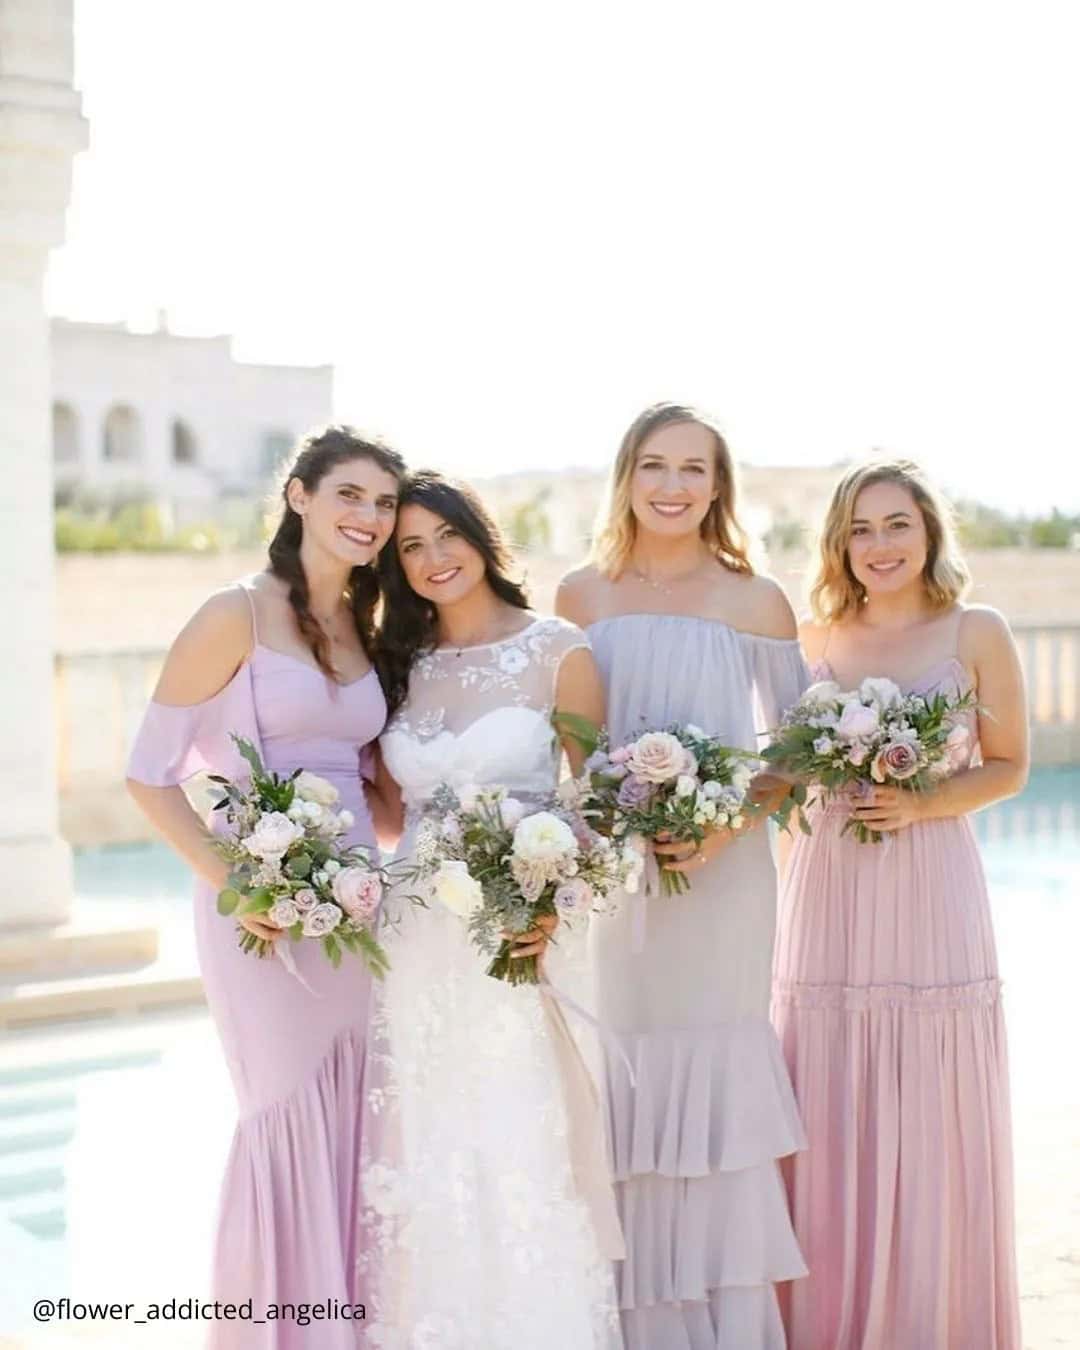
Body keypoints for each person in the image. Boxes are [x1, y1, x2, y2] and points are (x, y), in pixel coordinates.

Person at [126, 425, 405, 1348]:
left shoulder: (365, 632)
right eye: (349, 495)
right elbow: (148, 773)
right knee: (287, 1115)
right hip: (261, 913)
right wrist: (236, 882)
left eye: (384, 502)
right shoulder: (232, 614)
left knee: (362, 1118)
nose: (368, 517)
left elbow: (376, 792)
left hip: (361, 907)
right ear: (299, 497)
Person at [557, 403, 807, 1350]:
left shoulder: (758, 600)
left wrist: (724, 824)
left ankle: (726, 1326)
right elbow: (570, 749)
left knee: (713, 1070)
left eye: (692, 469)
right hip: (616, 887)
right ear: (626, 476)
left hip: (726, 879)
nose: (672, 486)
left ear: (718, 485)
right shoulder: (579, 595)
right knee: (620, 1070)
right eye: (654, 466)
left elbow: (795, 748)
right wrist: (615, 825)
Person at [358, 471, 623, 1349]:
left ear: (481, 535)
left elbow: (593, 804)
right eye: (411, 546)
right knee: (429, 1140)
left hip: (520, 931)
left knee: (519, 1138)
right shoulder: (395, 664)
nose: (434, 559)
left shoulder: (558, 650)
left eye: (447, 536)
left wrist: (548, 901)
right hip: (416, 938)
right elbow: (394, 814)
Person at [772, 458, 1027, 1349]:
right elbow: (784, 770)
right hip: (826, 886)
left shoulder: (976, 628)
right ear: (839, 543)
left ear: (929, 533)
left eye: (897, 525)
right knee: (826, 1082)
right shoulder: (812, 637)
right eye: (861, 529)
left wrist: (919, 802)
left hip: (929, 882)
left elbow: (1010, 767)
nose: (879, 546)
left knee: (926, 1094)